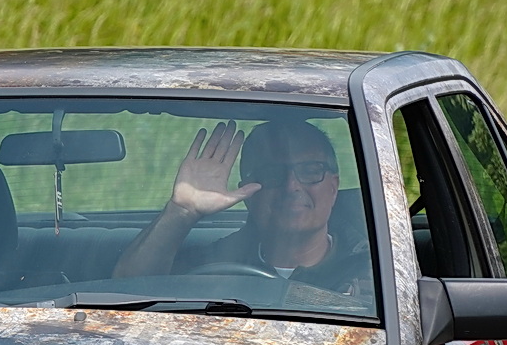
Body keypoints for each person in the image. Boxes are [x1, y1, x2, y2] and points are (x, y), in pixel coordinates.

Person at [112, 119, 367, 292]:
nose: (291, 186)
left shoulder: (374, 272)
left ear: (334, 187)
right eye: (271, 174)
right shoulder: (211, 265)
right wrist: (183, 210)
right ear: (246, 193)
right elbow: (127, 290)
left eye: (310, 171)